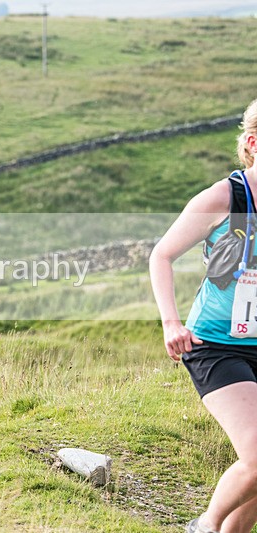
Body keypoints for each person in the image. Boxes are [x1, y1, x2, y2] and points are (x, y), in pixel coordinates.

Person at [150, 98, 257, 533]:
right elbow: (162, 255)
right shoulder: (224, 196)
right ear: (253, 143)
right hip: (216, 345)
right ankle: (204, 526)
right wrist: (171, 323)